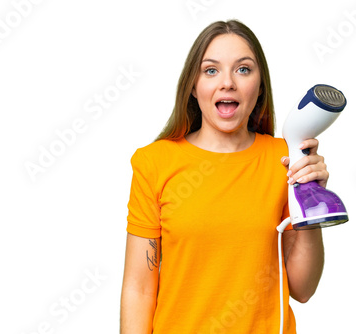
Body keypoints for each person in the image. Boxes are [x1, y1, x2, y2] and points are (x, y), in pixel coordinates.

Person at [120, 20, 327, 334]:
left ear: (260, 87)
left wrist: (311, 199)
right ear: (193, 85)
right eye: (211, 70)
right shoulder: (154, 162)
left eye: (243, 69)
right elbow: (139, 288)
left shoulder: (284, 159)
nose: (227, 82)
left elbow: (303, 288)